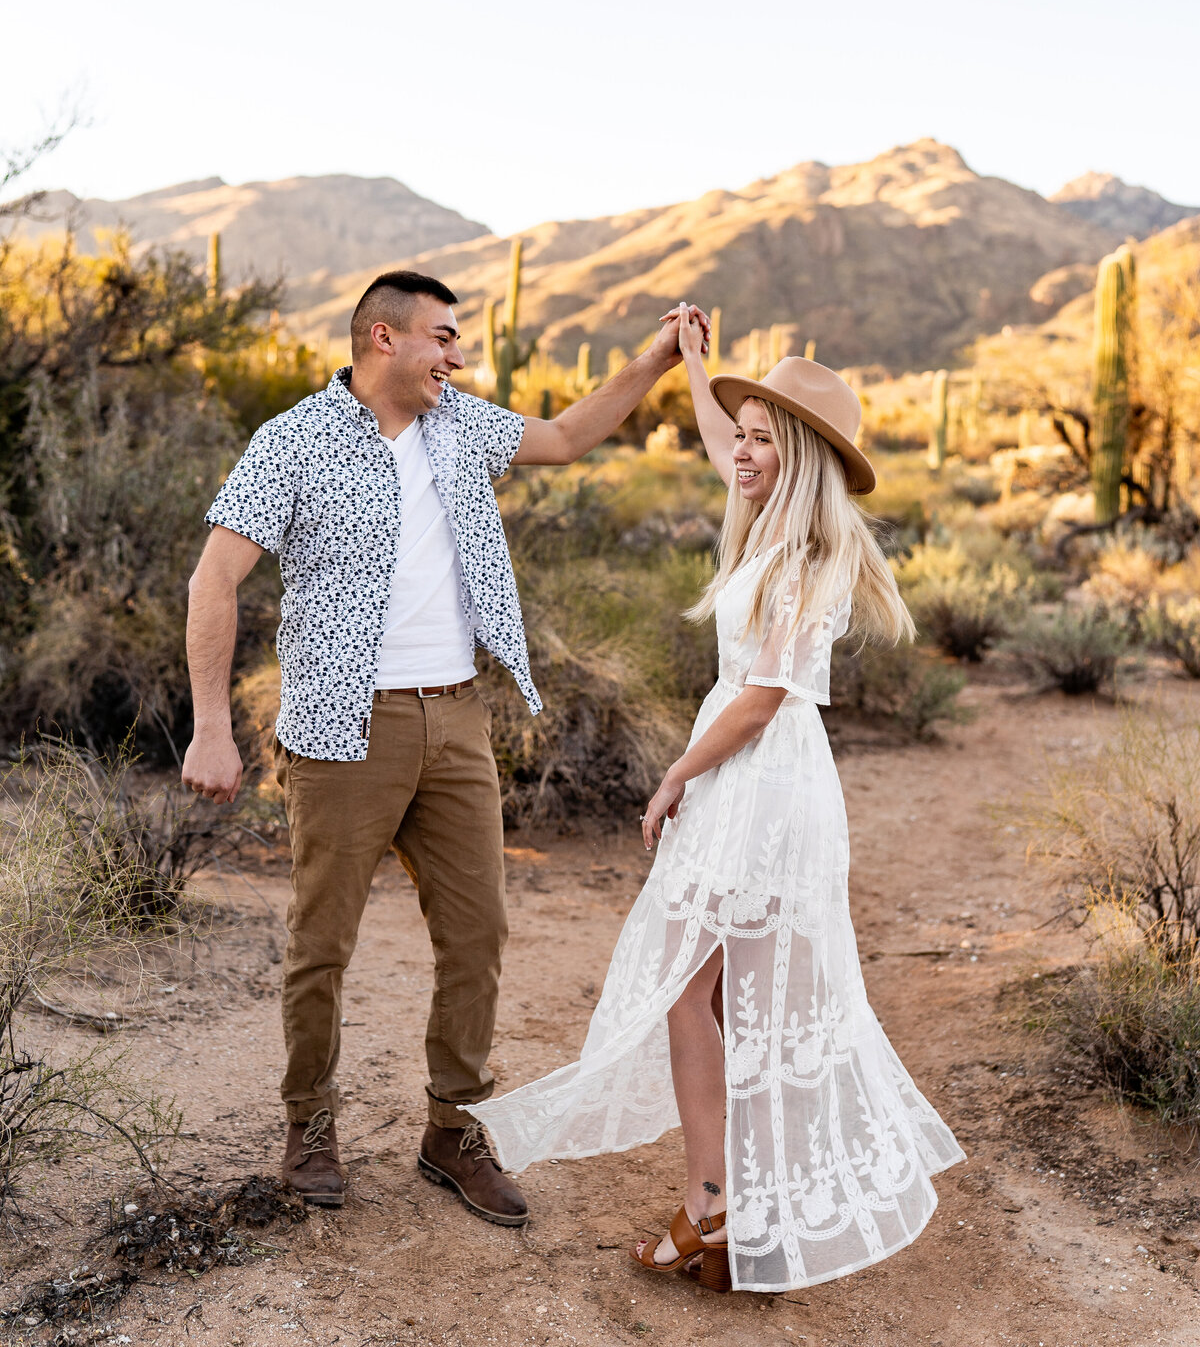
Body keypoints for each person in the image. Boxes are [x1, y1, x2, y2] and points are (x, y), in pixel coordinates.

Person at [181, 270, 709, 1225]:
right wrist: (211, 726)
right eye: (443, 338)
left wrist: (656, 359)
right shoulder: (292, 443)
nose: (456, 356)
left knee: (479, 933)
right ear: (383, 338)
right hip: (344, 726)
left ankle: (451, 1127)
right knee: (323, 944)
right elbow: (214, 581)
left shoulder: (461, 424)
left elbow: (566, 435)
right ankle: (309, 1126)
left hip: (457, 719)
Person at [467, 305, 964, 1292]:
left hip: (755, 778)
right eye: (740, 435)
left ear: (803, 459)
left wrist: (675, 773)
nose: (739, 451)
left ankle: (713, 1208)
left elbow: (764, 697)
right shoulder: (772, 519)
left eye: (762, 441)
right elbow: (723, 442)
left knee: (693, 991)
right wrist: (699, 370)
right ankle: (743, 1201)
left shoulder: (798, 557)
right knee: (727, 992)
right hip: (767, 778)